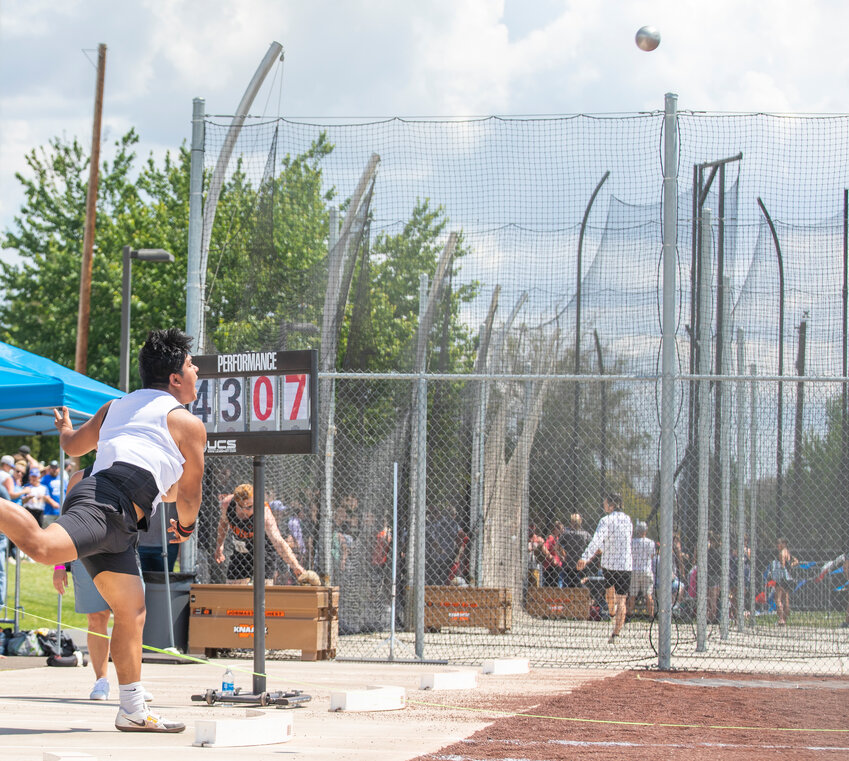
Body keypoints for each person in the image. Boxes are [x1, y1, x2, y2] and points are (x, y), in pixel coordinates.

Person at [0, 327, 206, 733]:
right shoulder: (186, 423)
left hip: (121, 520)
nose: (196, 369)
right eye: (190, 364)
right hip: (105, 502)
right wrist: (186, 525)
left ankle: (132, 708)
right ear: (176, 379)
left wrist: (63, 430)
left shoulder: (116, 407)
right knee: (42, 547)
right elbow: (191, 492)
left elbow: (74, 447)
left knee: (131, 610)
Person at [214, 483, 310, 584]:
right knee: (233, 589)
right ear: (236, 502)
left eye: (250, 507)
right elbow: (223, 523)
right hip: (241, 550)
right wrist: (220, 545)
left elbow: (278, 541)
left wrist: (295, 566)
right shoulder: (227, 504)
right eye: (241, 507)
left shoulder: (264, 512)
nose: (245, 511)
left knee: (264, 591)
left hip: (263, 551)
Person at [576, 493, 633, 643]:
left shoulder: (605, 520)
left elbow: (597, 540)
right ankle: (616, 632)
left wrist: (585, 557)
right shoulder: (628, 520)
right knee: (622, 598)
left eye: (605, 503)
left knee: (610, 591)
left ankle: (612, 613)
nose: (604, 506)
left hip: (610, 564)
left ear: (611, 505)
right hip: (625, 564)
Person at [627, 521, 656, 619]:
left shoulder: (632, 542)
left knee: (633, 594)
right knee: (648, 594)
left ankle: (629, 614)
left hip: (635, 569)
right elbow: (652, 556)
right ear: (646, 531)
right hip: (646, 569)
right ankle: (651, 615)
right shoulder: (650, 543)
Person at [816, 551, 849, 628]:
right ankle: (847, 622)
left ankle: (847, 622)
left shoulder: (845, 557)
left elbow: (842, 564)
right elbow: (837, 563)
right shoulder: (845, 556)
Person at [770, 537, 798, 626]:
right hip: (788, 577)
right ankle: (785, 619)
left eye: (779, 543)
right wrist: (790, 566)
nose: (777, 545)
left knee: (778, 598)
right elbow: (796, 561)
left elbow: (782, 566)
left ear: (784, 544)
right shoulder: (788, 553)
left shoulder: (782, 553)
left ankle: (781, 619)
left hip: (782, 578)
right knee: (786, 599)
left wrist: (778, 576)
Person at [558, 513, 591, 588]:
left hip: (571, 565)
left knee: (570, 587)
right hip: (579, 564)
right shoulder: (585, 534)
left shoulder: (567, 533)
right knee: (580, 586)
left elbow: (558, 546)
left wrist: (562, 555)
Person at [41, 460, 67, 526]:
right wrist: (52, 502)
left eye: (56, 467)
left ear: (59, 469)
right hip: (49, 512)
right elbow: (43, 494)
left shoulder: (63, 479)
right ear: (49, 469)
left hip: (62, 512)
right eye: (52, 468)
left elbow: (67, 492)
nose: (54, 469)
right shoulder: (44, 479)